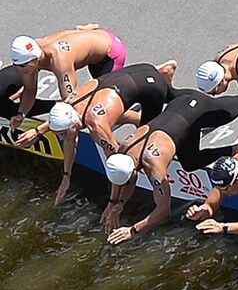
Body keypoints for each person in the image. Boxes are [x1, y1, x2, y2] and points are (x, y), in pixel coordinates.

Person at [101, 90, 238, 243]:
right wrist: (114, 203)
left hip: (195, 107)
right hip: (179, 116)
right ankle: (234, 149)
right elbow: (122, 180)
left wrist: (132, 230)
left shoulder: (154, 165)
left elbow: (163, 211)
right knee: (189, 163)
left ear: (134, 170)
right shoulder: (124, 150)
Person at [16, 61, 178, 204]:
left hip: (151, 88)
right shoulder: (70, 103)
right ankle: (163, 73)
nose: (62, 137)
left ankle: (183, 113)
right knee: (113, 113)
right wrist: (66, 176)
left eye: (63, 133)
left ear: (73, 125)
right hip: (140, 70)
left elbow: (119, 165)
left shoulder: (97, 128)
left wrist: (114, 202)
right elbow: (68, 138)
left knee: (146, 138)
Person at [7, 26, 126, 125]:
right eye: (16, 65)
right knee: (90, 106)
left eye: (22, 66)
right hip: (94, 41)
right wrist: (21, 115)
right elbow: (29, 90)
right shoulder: (30, 56)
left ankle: (135, 117)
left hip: (111, 53)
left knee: (96, 109)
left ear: (35, 59)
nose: (19, 70)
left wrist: (40, 131)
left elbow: (71, 102)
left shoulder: (60, 60)